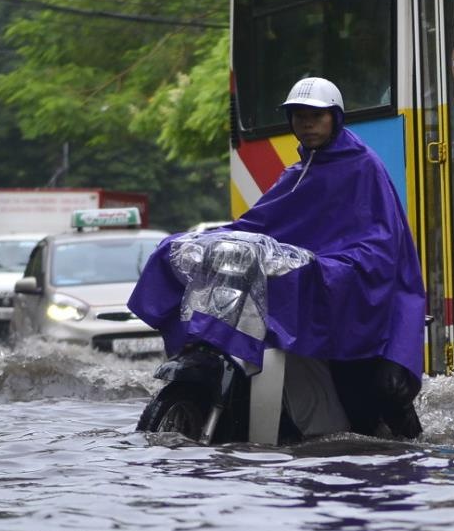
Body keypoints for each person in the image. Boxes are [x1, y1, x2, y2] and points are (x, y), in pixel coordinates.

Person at [129, 75, 427, 439]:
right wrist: (202, 239)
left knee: (369, 391)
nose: (307, 124)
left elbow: (379, 245)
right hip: (315, 280)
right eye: (299, 116)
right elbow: (257, 224)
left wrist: (328, 267)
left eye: (316, 116)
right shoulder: (298, 173)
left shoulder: (363, 166)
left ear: (335, 117)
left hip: (356, 285)